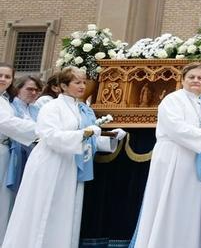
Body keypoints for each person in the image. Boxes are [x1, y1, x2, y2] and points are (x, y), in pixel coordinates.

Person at [2, 66, 125, 248]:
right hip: (49, 161)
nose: (83, 86)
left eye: (84, 82)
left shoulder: (79, 108)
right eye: (77, 82)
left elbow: (84, 137)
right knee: (43, 208)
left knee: (61, 211)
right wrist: (85, 133)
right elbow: (50, 136)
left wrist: (108, 138)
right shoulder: (51, 107)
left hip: (69, 163)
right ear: (63, 86)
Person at [132, 62, 201, 247]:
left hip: (194, 160)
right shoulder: (172, 100)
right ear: (182, 79)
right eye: (191, 77)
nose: (196, 81)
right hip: (173, 156)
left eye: (200, 78)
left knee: (188, 207)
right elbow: (176, 128)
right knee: (169, 203)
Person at [0, 64, 36, 239]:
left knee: (4, 199)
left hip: (5, 151)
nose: (3, 79)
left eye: (7, 77)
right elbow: (6, 123)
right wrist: (40, 130)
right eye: (0, 75)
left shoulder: (5, 99)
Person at [7, 74, 42, 194]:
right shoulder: (9, 106)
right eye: (29, 89)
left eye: (36, 90)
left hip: (32, 155)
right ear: (18, 89)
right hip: (12, 154)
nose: (33, 92)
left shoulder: (36, 110)